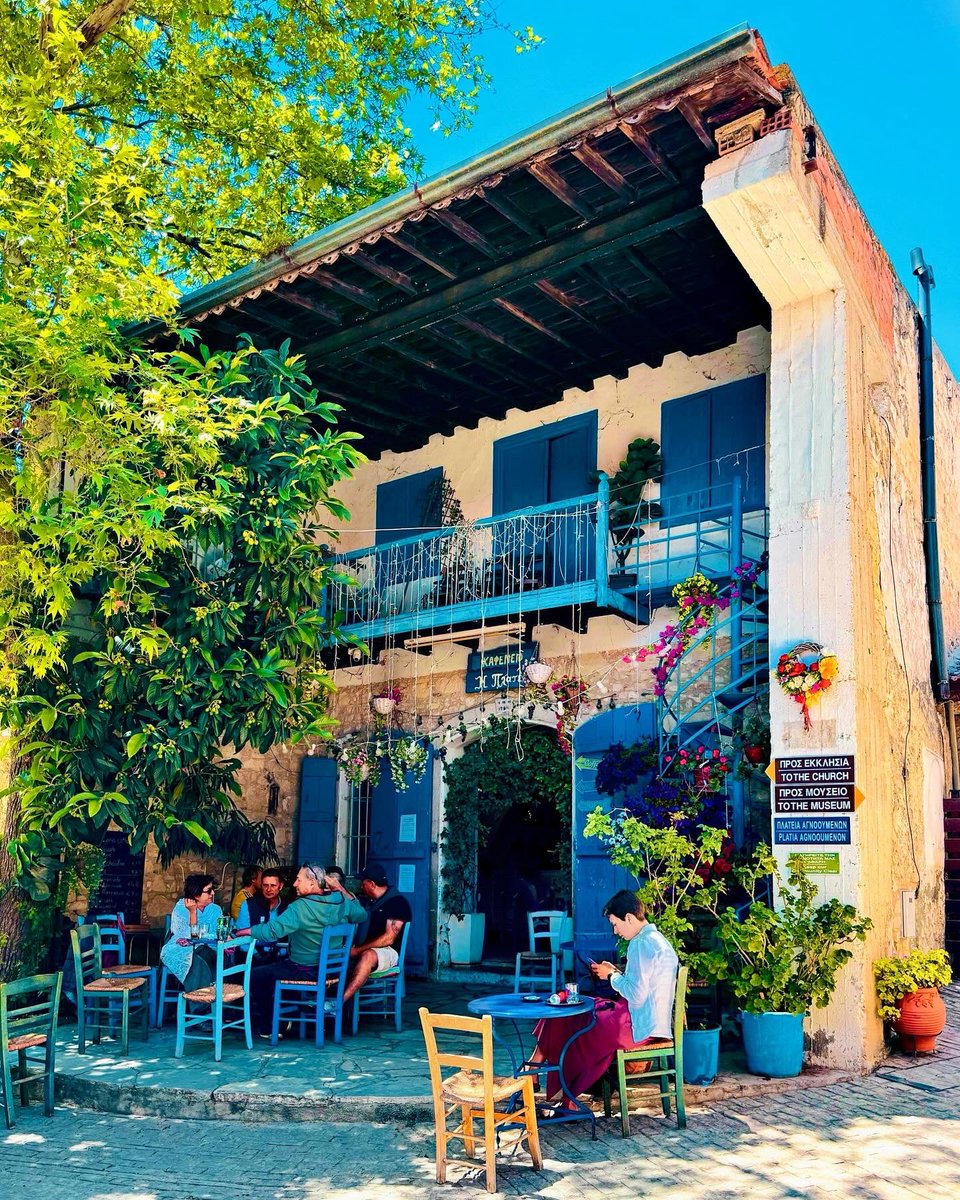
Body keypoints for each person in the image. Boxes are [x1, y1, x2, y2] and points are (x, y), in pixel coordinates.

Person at [528, 889, 678, 1109]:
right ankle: (554, 1084)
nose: (615, 931)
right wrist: (616, 973)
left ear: (628, 917)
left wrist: (612, 975)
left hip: (636, 1026)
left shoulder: (640, 943)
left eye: (615, 924)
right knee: (582, 1009)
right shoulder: (656, 940)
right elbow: (643, 986)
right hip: (649, 1022)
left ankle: (547, 1078)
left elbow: (636, 994)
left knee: (577, 1018)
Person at [234, 863, 366, 1038]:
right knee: (278, 967)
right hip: (331, 971)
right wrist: (340, 888)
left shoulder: (300, 907)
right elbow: (361, 914)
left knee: (255, 975)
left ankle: (270, 1025)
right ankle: (289, 1016)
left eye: (298, 880)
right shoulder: (340, 901)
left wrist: (243, 931)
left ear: (312, 883)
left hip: (305, 969)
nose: (294, 884)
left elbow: (273, 930)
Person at [341, 864, 411, 1006]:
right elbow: (352, 901)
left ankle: (338, 1003)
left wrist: (357, 951)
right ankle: (321, 998)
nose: (361, 886)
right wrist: (338, 887)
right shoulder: (369, 901)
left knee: (368, 955)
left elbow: (389, 938)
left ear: (371, 884)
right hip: (365, 947)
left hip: (388, 951)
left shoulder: (397, 902)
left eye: (363, 882)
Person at [160, 874, 223, 992]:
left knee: (203, 953)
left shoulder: (216, 910)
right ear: (196, 894)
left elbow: (218, 935)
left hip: (209, 949)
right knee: (197, 956)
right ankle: (202, 1001)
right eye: (209, 891)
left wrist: (203, 939)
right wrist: (193, 912)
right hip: (182, 949)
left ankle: (198, 1001)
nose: (213, 893)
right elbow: (188, 937)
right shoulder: (180, 908)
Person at [237, 868, 289, 962]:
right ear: (261, 885)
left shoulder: (287, 907)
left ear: (280, 886)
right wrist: (257, 956)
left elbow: (291, 937)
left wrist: (281, 953)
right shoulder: (249, 904)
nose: (268, 889)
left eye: (273, 885)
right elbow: (242, 936)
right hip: (252, 956)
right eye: (265, 885)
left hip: (280, 957)